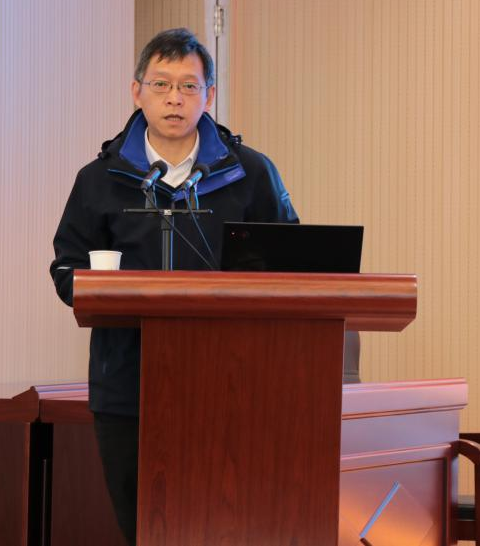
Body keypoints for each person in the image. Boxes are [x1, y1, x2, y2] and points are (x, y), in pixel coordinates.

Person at [49, 28, 298, 544]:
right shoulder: (99, 179)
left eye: (189, 86)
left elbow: (294, 265)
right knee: (143, 526)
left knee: (227, 525)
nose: (174, 98)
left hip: (233, 384)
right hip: (128, 385)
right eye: (161, 84)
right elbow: (67, 268)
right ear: (136, 91)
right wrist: (103, 289)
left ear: (210, 95)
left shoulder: (251, 173)